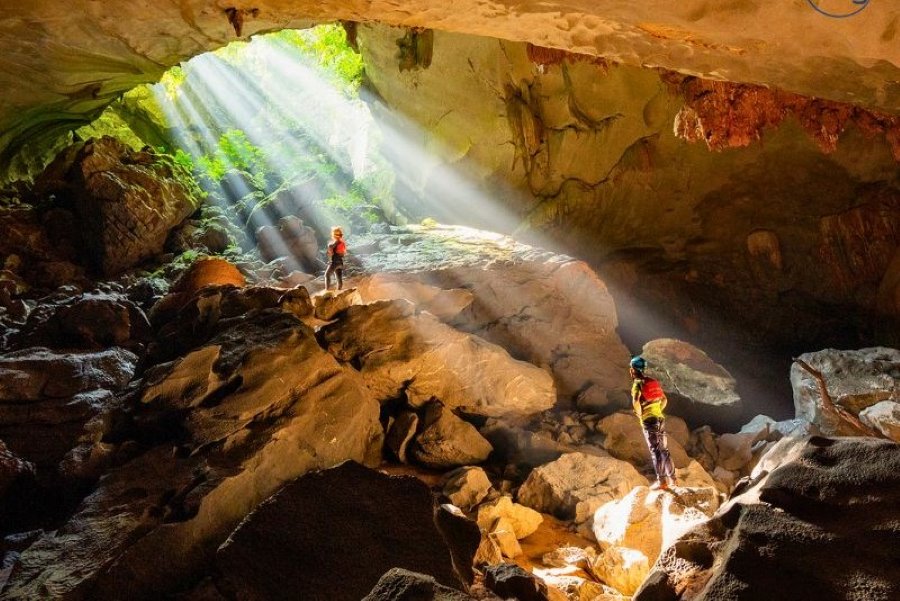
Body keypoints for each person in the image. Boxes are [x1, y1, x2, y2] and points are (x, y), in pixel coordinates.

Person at [629, 355, 677, 490]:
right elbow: (664, 400)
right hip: (660, 418)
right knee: (664, 450)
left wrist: (640, 415)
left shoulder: (637, 384)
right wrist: (657, 411)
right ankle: (673, 480)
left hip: (649, 421)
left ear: (633, 369)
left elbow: (636, 402)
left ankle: (662, 482)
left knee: (655, 451)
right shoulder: (653, 381)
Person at [324, 226, 346, 291]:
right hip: (340, 263)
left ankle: (327, 291)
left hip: (334, 263)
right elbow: (342, 254)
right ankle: (339, 291)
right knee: (339, 279)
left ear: (334, 235)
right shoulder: (342, 243)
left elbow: (330, 251)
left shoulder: (335, 243)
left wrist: (330, 247)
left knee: (327, 275)